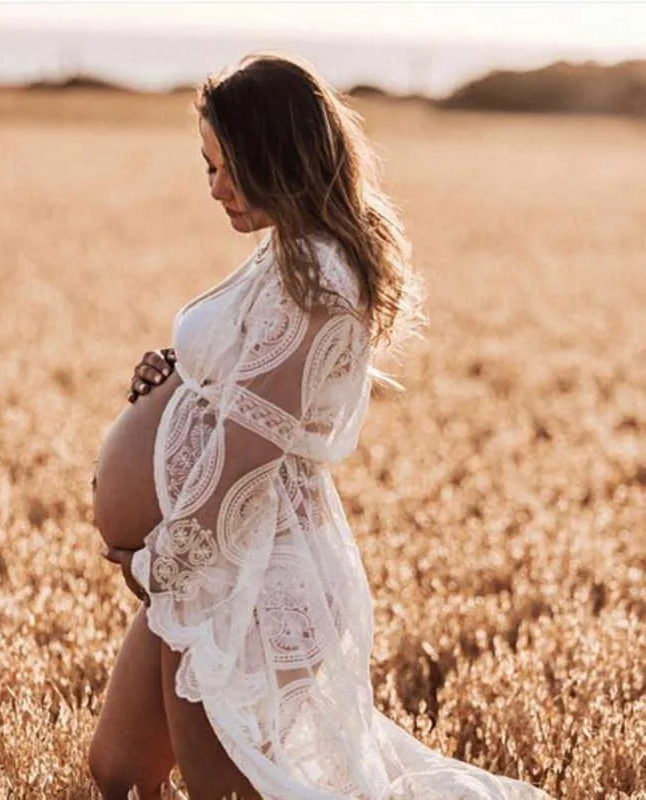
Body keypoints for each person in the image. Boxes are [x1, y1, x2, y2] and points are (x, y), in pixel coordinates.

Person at [91, 53, 552, 800]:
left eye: (225, 167)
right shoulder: (288, 256)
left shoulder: (323, 278)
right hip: (211, 562)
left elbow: (248, 453)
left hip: (245, 569)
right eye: (205, 168)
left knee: (227, 790)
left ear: (273, 155)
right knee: (118, 767)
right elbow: (242, 380)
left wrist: (159, 563)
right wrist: (172, 374)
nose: (214, 188)